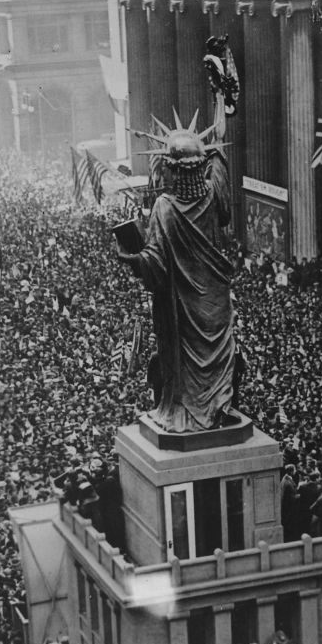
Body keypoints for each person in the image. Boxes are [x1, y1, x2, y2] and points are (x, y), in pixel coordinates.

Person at [116, 92, 235, 433]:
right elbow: (220, 141)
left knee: (182, 360)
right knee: (220, 357)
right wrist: (219, 94)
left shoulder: (164, 208)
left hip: (182, 309)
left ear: (169, 167)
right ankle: (219, 406)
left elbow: (155, 265)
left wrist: (133, 259)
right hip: (216, 303)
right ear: (202, 164)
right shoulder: (214, 194)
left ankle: (187, 410)